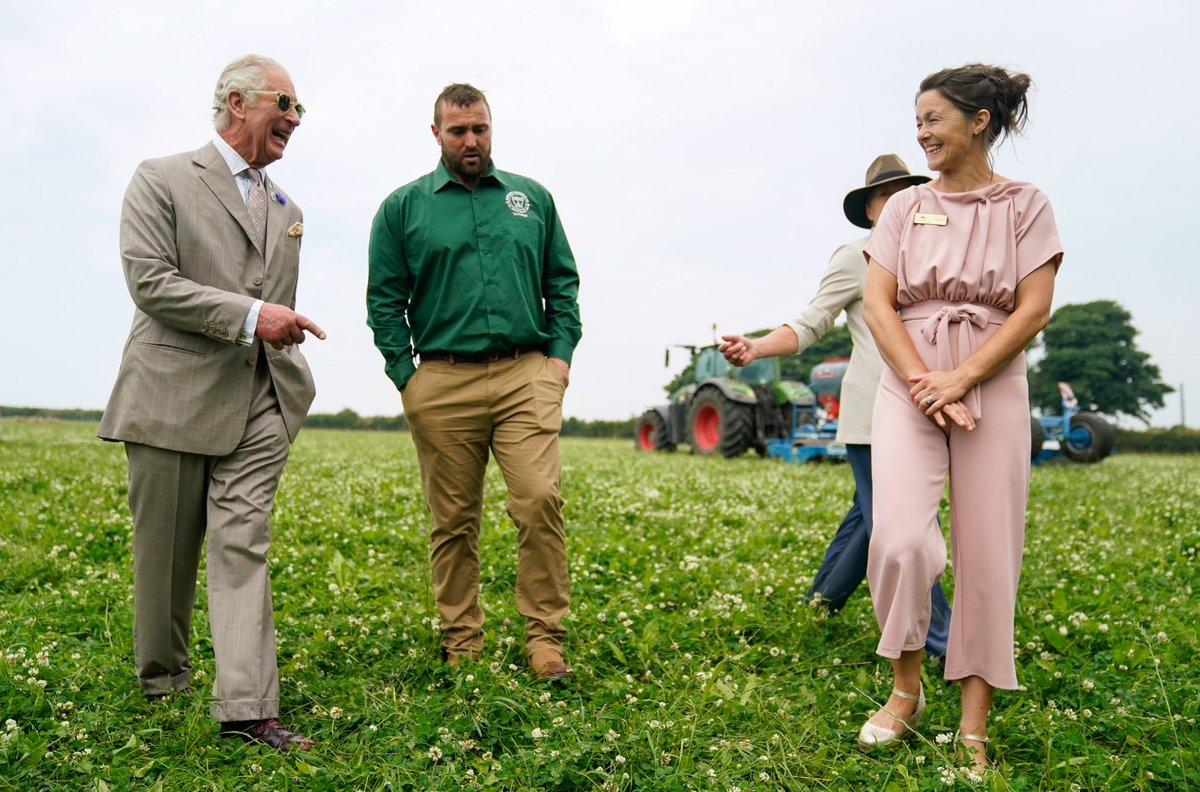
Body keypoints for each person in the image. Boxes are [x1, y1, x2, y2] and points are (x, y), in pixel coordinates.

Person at [98, 54, 325, 751]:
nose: (294, 118)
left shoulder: (290, 210)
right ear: (235, 101)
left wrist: (270, 328)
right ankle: (164, 677)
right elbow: (151, 283)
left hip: (260, 397)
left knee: (241, 543)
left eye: (299, 110)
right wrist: (255, 315)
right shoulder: (161, 178)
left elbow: (270, 304)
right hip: (171, 393)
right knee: (164, 555)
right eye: (284, 103)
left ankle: (248, 708)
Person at [857, 64, 1063, 771]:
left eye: (933, 119)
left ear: (979, 121)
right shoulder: (905, 210)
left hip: (993, 383)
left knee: (988, 551)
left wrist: (965, 377)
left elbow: (1034, 307)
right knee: (898, 540)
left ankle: (973, 721)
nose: (921, 133)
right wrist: (924, 381)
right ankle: (905, 689)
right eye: (917, 120)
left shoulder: (1026, 205)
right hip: (910, 382)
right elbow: (878, 303)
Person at [367, 83, 582, 681]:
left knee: (539, 500)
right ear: (435, 133)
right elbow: (384, 300)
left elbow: (561, 282)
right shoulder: (402, 208)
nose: (471, 141)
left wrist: (558, 359)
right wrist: (406, 376)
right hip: (442, 379)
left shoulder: (530, 198)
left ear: (492, 128)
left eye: (480, 129)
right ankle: (462, 642)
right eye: (458, 130)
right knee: (453, 521)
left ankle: (545, 642)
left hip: (524, 373)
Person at [718, 154, 951, 660]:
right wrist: (756, 347)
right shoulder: (856, 257)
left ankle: (820, 603)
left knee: (872, 519)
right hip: (875, 416)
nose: (900, 204)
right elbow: (811, 322)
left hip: (930, 407)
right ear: (870, 209)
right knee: (905, 525)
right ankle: (942, 641)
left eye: (910, 193)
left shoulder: (939, 257)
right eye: (887, 195)